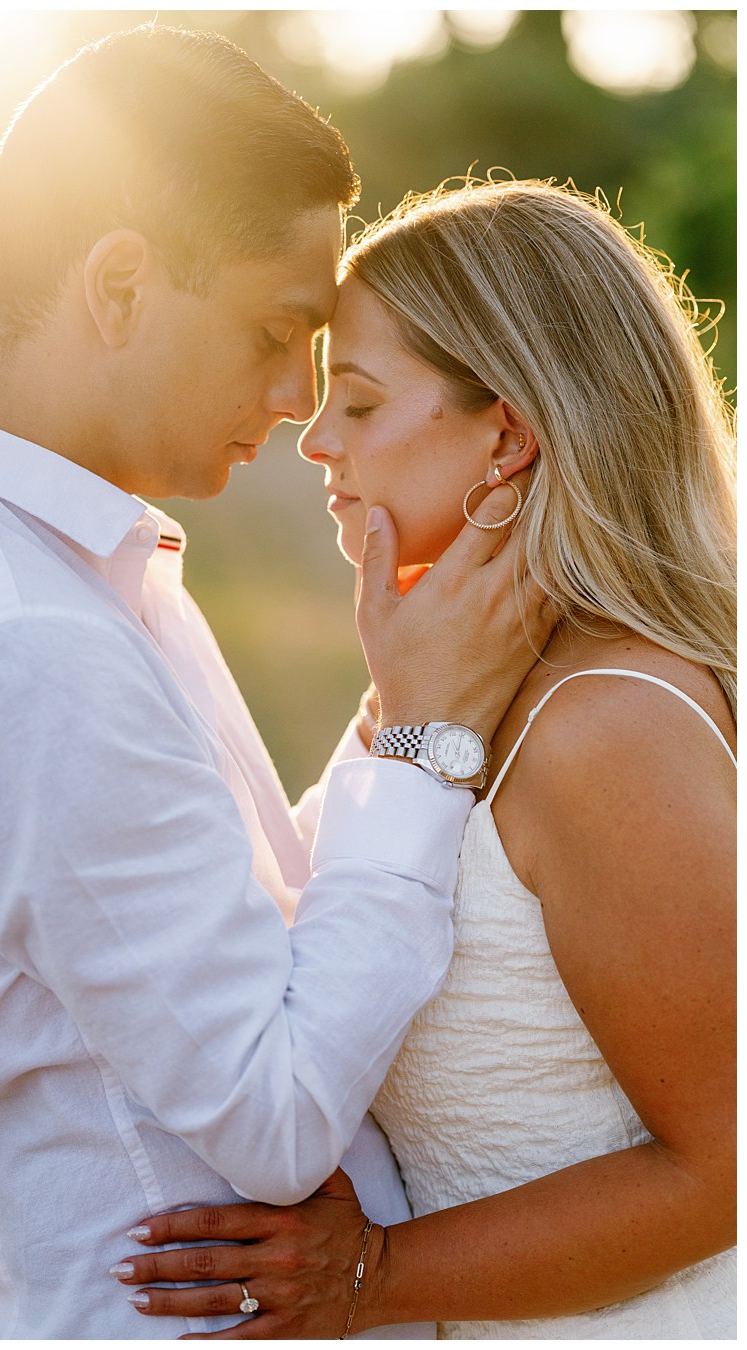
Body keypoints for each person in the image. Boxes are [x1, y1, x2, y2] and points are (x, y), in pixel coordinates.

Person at [0, 24, 553, 1339]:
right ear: (119, 286)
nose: (300, 394)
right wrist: (424, 740)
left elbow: (213, 914)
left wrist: (393, 715)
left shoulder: (30, 570)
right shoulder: (21, 638)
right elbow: (276, 1116)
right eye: (275, 329)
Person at [115, 180, 736, 1338]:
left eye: (357, 399)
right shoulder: (439, 685)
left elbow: (728, 1169)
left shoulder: (609, 727)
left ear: (505, 434)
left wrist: (373, 1277)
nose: (313, 437)